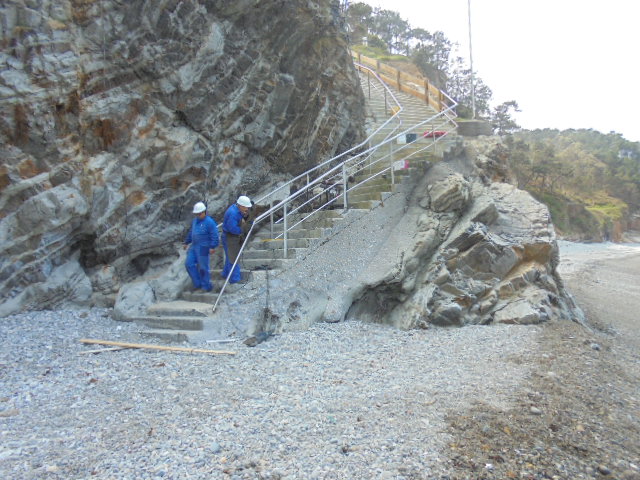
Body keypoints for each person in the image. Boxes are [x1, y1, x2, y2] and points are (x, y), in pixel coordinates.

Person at [184, 201, 219, 292]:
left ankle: (206, 286)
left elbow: (215, 235)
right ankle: (197, 284)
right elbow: (191, 232)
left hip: (204, 246)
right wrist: (186, 242)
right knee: (189, 264)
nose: (198, 215)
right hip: (194, 246)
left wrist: (212, 246)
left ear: (204, 212)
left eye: (199, 214)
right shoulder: (195, 221)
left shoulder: (210, 222)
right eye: (197, 214)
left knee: (203, 267)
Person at [221, 195, 252, 284]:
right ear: (241, 206)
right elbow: (232, 228)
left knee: (229, 257)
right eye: (246, 207)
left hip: (228, 236)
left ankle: (226, 274)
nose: (247, 209)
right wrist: (242, 230)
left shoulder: (236, 209)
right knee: (233, 258)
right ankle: (235, 279)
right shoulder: (233, 213)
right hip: (229, 236)